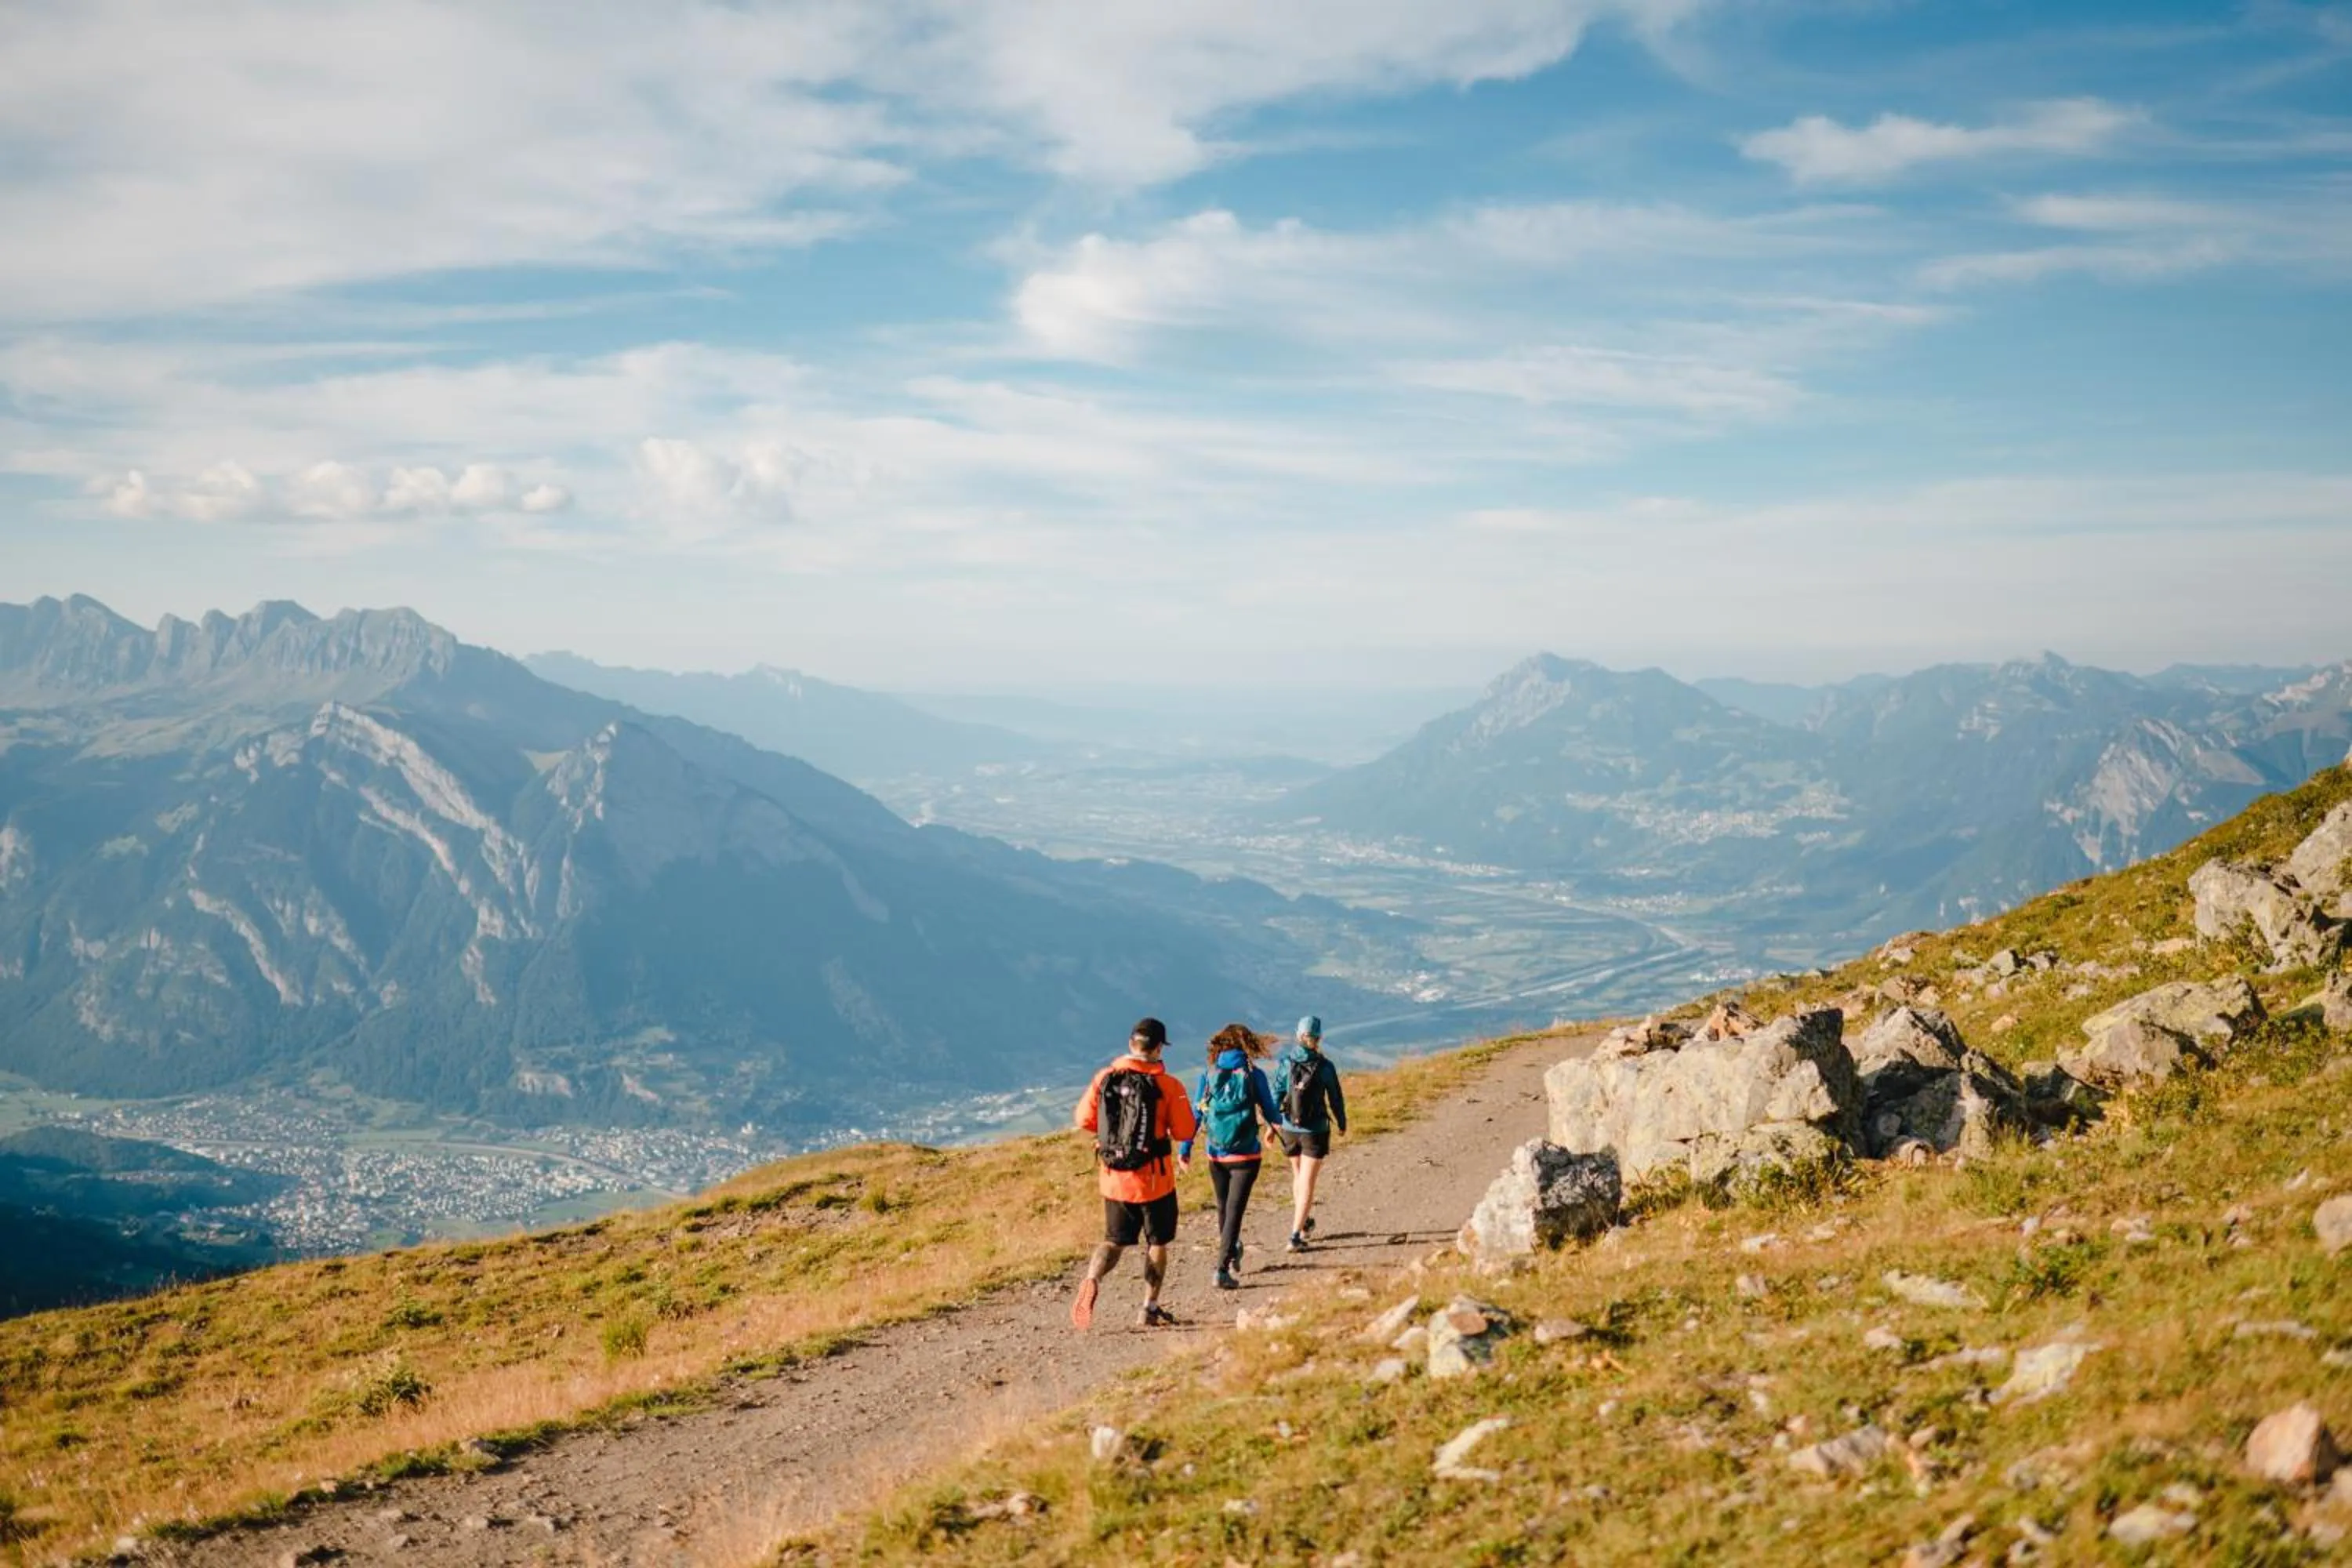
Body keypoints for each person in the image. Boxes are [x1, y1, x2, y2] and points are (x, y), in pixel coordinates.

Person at [1071, 1017, 1198, 1330]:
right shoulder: (1168, 1085)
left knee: (1113, 1240)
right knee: (1157, 1243)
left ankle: (1091, 1278)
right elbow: (1185, 1130)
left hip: (1114, 1178)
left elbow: (1084, 1119)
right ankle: (1148, 1308)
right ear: (1158, 1049)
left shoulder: (1104, 1077)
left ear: (1131, 1044)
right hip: (1155, 1181)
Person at [1176, 1022, 1296, 1291]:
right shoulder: (1254, 1075)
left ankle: (1231, 1250)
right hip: (1246, 1155)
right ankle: (1221, 1268)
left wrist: (1184, 1149)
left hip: (1216, 1154)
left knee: (1224, 1208)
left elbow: (1197, 1114)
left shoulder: (1208, 1074)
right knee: (1234, 1212)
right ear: (1247, 1045)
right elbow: (1271, 1112)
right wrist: (1284, 1133)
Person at [1273, 1014, 1347, 1252]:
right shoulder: (1325, 1067)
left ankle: (1304, 1224)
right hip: (1315, 1129)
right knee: (1307, 1182)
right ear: (1319, 1038)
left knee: (1298, 1176)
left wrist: (1271, 1128)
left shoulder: (1286, 1063)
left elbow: (1276, 1095)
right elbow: (1335, 1097)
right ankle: (1295, 1235)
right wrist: (1341, 1121)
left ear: (1298, 1035)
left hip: (1289, 1128)